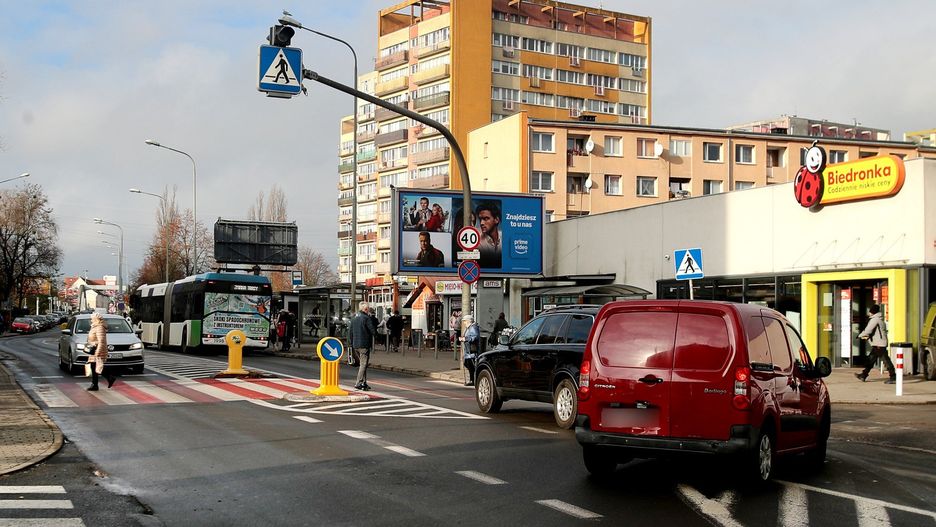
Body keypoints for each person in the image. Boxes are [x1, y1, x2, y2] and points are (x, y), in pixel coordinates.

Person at [856, 304, 895, 384]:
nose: (869, 313)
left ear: (873, 312)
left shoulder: (875, 320)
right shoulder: (879, 319)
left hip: (879, 344)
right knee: (871, 360)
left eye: (870, 311)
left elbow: (868, 330)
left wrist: (859, 335)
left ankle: (893, 376)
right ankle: (864, 375)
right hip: (878, 343)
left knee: (886, 360)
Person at [351, 302, 377, 391]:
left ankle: (364, 383)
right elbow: (372, 331)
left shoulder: (354, 318)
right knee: (363, 364)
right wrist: (376, 335)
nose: (368, 310)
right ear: (366, 309)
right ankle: (358, 383)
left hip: (355, 345)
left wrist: (350, 344)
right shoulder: (366, 318)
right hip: (364, 345)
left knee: (363, 364)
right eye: (368, 308)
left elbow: (350, 332)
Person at [86, 313, 116, 390]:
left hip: (97, 350)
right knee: (94, 367)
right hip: (94, 349)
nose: (91, 320)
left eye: (92, 318)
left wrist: (98, 352)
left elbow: (101, 341)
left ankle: (109, 377)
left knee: (97, 366)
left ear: (97, 319)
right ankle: (96, 384)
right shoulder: (95, 326)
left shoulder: (99, 327)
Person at [476, 201, 502, 269]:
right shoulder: (477, 241)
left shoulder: (504, 238)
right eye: (480, 219)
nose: (481, 223)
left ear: (496, 220)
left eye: (486, 219)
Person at [460, 314, 480, 386]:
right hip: (468, 351)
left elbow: (475, 337)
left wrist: (465, 339)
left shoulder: (473, 327)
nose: (464, 323)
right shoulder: (469, 327)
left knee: (471, 365)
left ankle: (473, 380)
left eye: (465, 321)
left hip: (472, 351)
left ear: (469, 321)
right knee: (467, 364)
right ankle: (472, 379)